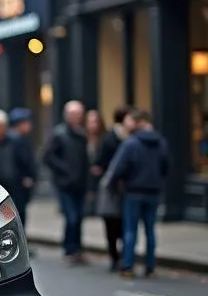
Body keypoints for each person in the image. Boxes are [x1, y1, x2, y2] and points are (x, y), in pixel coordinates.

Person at [105, 109, 170, 278]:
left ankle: (128, 266)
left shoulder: (131, 143)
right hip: (153, 192)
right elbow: (166, 167)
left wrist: (112, 186)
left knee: (130, 230)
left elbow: (117, 168)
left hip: (133, 191)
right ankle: (150, 267)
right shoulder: (161, 142)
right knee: (150, 230)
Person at [44, 100, 90, 264]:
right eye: (73, 114)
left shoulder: (82, 135)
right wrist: (65, 170)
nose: (77, 117)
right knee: (72, 217)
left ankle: (76, 248)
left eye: (79, 114)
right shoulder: (59, 134)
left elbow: (85, 161)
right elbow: (48, 157)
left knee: (79, 217)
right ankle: (69, 249)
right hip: (65, 184)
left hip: (80, 184)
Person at [92, 106, 135, 271]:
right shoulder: (111, 138)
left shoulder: (131, 138)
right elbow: (99, 162)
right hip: (112, 187)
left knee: (124, 223)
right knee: (112, 222)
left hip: (126, 187)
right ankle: (115, 256)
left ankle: (122, 256)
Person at [8, 107, 38, 233]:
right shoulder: (16, 139)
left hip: (18, 182)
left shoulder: (19, 138)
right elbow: (23, 161)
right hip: (18, 183)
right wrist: (27, 176)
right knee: (19, 212)